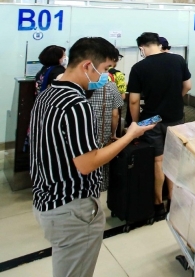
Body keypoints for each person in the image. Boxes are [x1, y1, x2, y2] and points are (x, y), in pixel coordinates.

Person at [30, 37, 155, 277]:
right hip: (72, 207)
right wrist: (130, 136)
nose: (106, 77)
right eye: (106, 69)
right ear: (88, 66)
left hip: (47, 198)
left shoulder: (48, 93)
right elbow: (88, 163)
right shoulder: (76, 104)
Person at [128, 32, 192, 216]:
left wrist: (135, 125)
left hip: (151, 118)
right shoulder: (178, 60)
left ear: (142, 48)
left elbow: (133, 101)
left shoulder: (139, 67)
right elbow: (188, 86)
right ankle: (172, 198)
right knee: (173, 158)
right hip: (176, 116)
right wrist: (174, 99)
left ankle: (157, 204)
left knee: (158, 160)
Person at [85, 47, 125, 192]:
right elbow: (116, 114)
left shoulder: (80, 86)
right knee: (102, 160)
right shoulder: (111, 85)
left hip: (85, 135)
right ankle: (101, 186)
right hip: (103, 133)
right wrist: (113, 133)